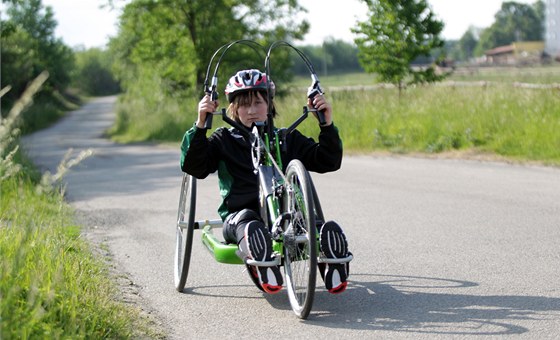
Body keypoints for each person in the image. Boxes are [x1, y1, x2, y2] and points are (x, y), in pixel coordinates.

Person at [180, 69, 351, 294]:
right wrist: (201, 125)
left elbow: (328, 161)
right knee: (249, 223)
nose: (251, 111)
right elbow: (195, 167)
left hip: (288, 218)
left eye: (258, 103)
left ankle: (332, 262)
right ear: (233, 109)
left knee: (314, 225)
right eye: (243, 105)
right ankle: (261, 262)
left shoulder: (287, 138)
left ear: (269, 105)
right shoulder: (224, 141)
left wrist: (326, 124)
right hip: (240, 217)